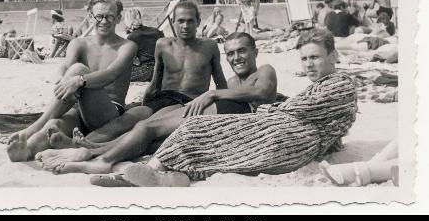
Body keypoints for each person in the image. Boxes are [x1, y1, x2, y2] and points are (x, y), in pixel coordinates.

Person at [114, 29, 357, 186]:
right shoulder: (324, 85)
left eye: (314, 57)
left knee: (203, 129)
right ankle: (171, 175)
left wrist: (272, 108)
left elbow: (304, 109)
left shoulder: (340, 84)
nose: (308, 65)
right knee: (209, 134)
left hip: (290, 139)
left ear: (333, 55)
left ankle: (154, 171)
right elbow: (316, 113)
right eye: (304, 59)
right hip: (290, 136)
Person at [37, 31, 279, 177]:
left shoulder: (265, 70)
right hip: (219, 123)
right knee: (153, 141)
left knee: (145, 128)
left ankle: (101, 160)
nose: (236, 58)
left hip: (229, 117)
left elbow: (264, 93)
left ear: (255, 52)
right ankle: (89, 151)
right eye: (231, 53)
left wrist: (213, 94)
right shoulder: (234, 81)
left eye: (242, 51)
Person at [35, 1, 231, 174]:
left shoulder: (209, 46)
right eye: (180, 21)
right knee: (125, 120)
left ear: (198, 21)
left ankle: (93, 150)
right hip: (161, 98)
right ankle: (79, 146)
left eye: (190, 21)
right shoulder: (163, 44)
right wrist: (146, 101)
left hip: (187, 101)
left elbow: (220, 81)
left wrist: (219, 101)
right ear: (173, 21)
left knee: (142, 128)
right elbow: (156, 79)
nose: (185, 26)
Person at [5, 0, 137, 162]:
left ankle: (31, 128)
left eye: (109, 16)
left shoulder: (127, 46)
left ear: (118, 18)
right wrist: (62, 78)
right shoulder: (79, 43)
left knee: (79, 69)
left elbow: (110, 74)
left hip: (107, 113)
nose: (104, 21)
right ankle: (27, 150)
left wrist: (78, 80)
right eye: (99, 16)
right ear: (90, 17)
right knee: (54, 126)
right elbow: (64, 67)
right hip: (77, 108)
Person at [124, 8, 164, 82]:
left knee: (120, 74)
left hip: (149, 70)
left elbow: (135, 61)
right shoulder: (156, 30)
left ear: (127, 21)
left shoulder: (132, 36)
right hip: (163, 66)